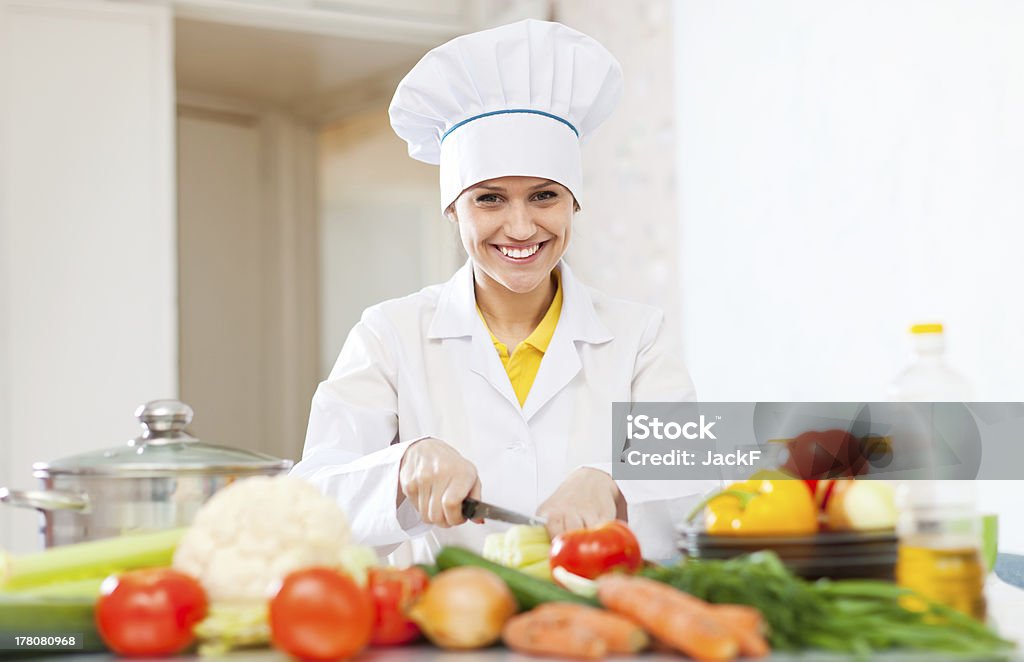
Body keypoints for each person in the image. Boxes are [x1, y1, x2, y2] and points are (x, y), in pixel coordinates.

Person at [292, 19, 716, 564]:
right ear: (452, 209)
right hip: (442, 628)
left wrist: (613, 485)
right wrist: (400, 467)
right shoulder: (389, 332)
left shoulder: (639, 335)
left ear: (574, 203)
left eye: (544, 196)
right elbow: (311, 495)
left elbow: (703, 485)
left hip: (596, 621)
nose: (520, 228)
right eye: (489, 199)